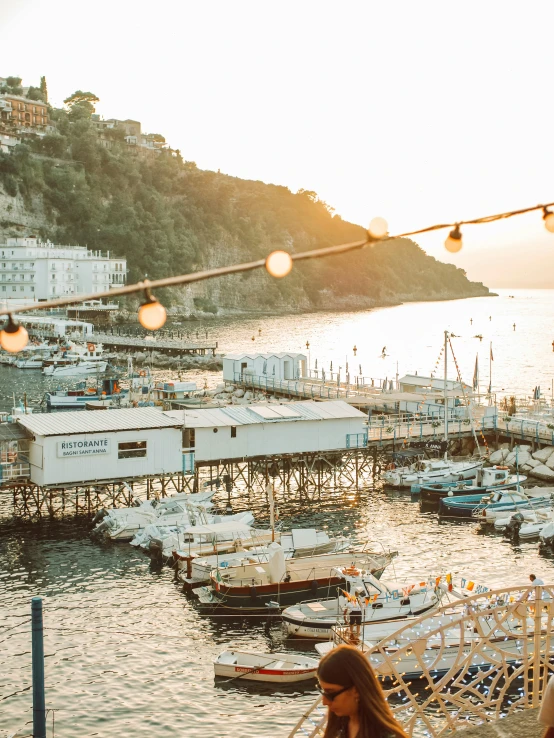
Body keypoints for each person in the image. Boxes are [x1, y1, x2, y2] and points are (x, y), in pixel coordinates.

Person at [317, 645, 408, 738]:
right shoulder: (341, 727)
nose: (325, 702)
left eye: (331, 693)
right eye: (323, 691)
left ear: (356, 690)